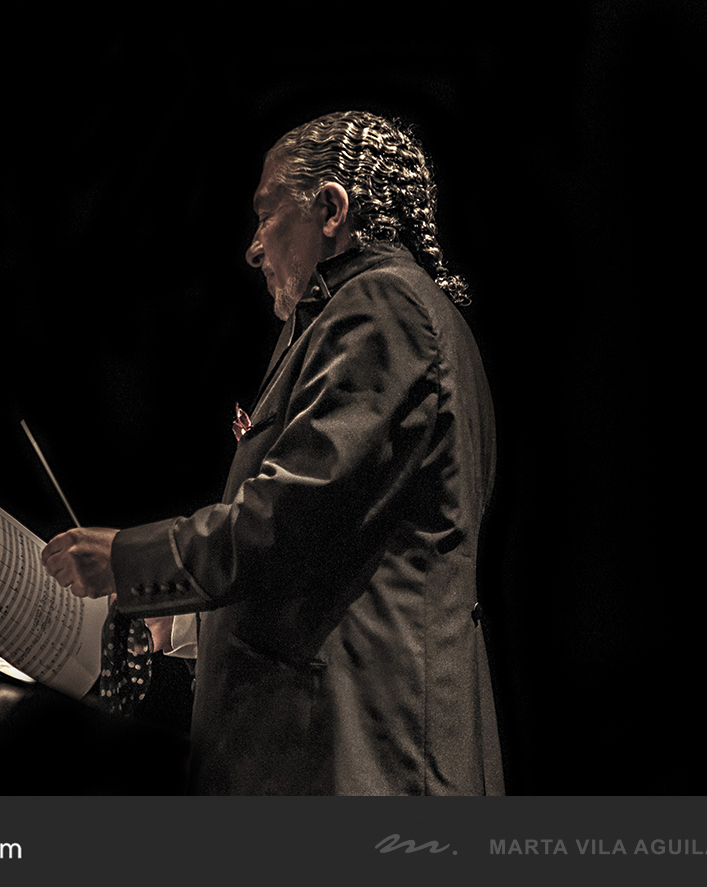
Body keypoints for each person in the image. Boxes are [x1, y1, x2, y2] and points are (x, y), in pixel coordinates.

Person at [41, 110, 502, 795]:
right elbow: (334, 556)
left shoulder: (381, 306)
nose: (254, 249)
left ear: (331, 210)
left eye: (266, 216)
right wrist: (188, 614)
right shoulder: (384, 314)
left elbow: (285, 520)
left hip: (367, 762)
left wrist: (128, 561)